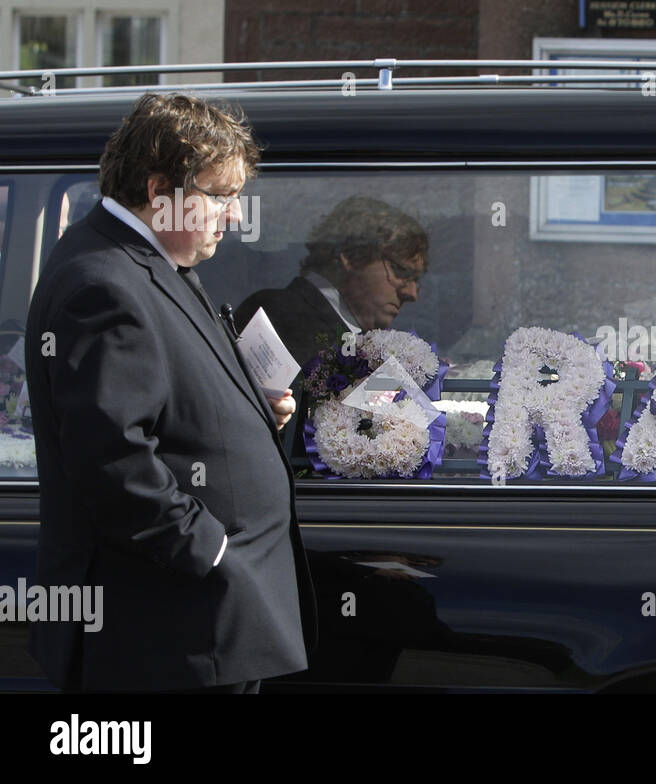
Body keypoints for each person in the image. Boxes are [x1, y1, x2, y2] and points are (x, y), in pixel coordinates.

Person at [24, 93, 316, 693]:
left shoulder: (149, 262)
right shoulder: (104, 283)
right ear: (160, 191)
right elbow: (110, 459)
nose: (233, 217)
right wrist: (209, 552)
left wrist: (248, 413)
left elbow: (164, 403)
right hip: (169, 631)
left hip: (199, 628)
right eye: (220, 197)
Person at [235, 195, 428, 364]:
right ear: (352, 255)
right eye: (401, 271)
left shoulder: (350, 333)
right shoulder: (278, 314)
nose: (411, 294)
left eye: (416, 280)